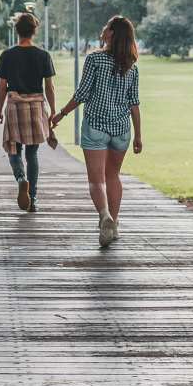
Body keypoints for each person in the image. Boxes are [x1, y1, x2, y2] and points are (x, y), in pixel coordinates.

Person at [51, 15, 142, 247]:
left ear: (111, 33)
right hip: (121, 128)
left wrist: (61, 114)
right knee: (113, 176)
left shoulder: (95, 59)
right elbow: (134, 103)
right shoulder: (132, 66)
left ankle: (104, 216)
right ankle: (115, 225)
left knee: (96, 180)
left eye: (106, 27)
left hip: (96, 127)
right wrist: (138, 135)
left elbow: (82, 94)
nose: (103, 29)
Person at [0, 13, 58, 213]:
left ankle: (21, 179)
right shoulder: (43, 55)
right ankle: (33, 198)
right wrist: (53, 112)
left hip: (15, 105)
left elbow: (2, 86)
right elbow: (50, 87)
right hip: (36, 106)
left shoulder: (7, 55)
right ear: (34, 31)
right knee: (32, 153)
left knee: (13, 149)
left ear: (17, 30)